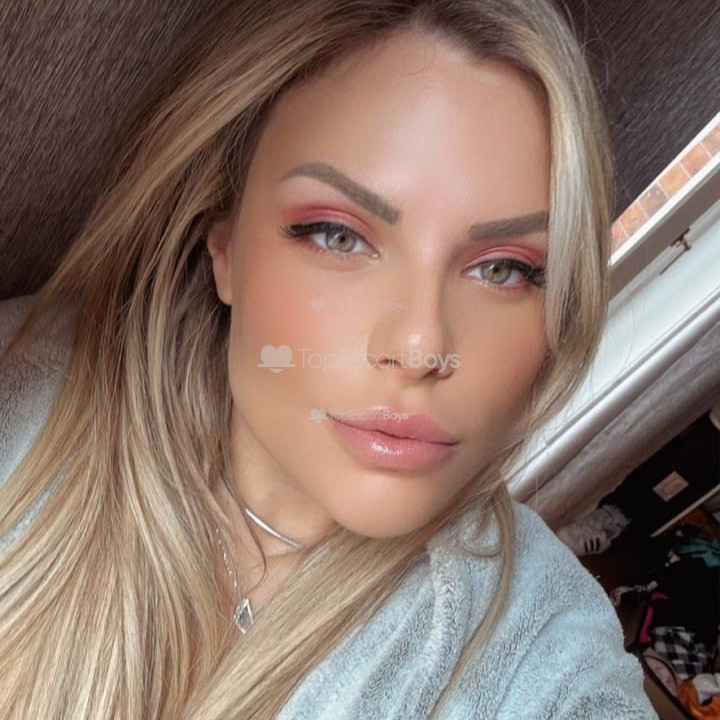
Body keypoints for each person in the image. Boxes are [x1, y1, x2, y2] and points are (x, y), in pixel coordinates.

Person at [0, 0, 659, 717]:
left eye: (504, 270)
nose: (420, 346)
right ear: (224, 247)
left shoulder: (544, 649)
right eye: (338, 236)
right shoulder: (26, 385)